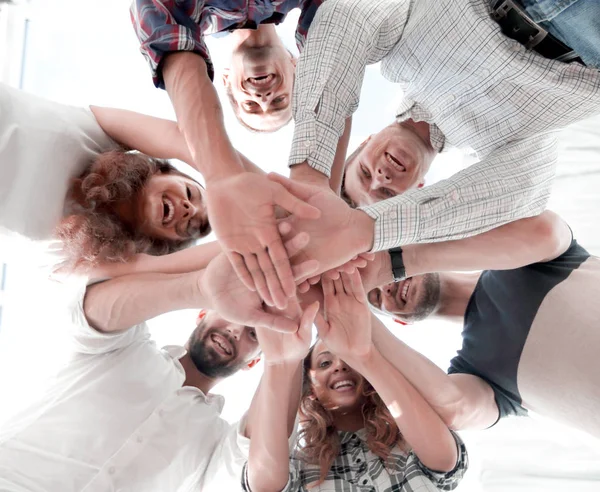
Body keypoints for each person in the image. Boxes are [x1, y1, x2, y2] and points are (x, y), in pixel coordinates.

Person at [271, 0, 600, 281]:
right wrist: (362, 231)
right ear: (417, 190)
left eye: (365, 173)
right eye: (386, 193)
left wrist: (310, 176)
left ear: (364, 143)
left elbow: (346, 17)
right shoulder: (488, 158)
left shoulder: (396, 59)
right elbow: (525, 191)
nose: (381, 177)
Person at [0, 249, 319, 491]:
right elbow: (92, 311)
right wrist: (200, 286)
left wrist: (284, 363)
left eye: (255, 334)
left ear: (253, 362)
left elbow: (263, 472)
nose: (236, 328)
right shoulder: (124, 349)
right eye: (230, 311)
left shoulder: (215, 443)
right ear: (201, 314)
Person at [130, 0, 341, 311]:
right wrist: (321, 199)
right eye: (281, 101)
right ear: (298, 67)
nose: (264, 99)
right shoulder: (315, 9)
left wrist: (222, 176)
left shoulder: (195, 12)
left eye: (251, 106)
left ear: (226, 81)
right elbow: (333, 59)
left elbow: (170, 38)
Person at [360, 210, 600, 439]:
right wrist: (357, 319)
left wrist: (399, 262)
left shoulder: (523, 258)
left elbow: (545, 230)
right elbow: (454, 410)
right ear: (400, 322)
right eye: (376, 297)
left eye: (382, 276)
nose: (386, 286)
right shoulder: (477, 370)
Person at [242, 270, 468, 491]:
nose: (339, 366)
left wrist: (365, 357)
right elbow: (264, 485)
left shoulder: (407, 441)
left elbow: (444, 461)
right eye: (324, 363)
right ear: (310, 388)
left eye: (346, 361)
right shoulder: (301, 465)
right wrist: (278, 364)